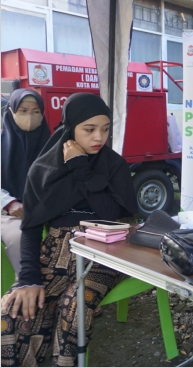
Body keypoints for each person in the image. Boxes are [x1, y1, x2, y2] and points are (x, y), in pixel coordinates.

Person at [0, 93, 138, 367]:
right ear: (71, 128)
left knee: (73, 306)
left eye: (105, 129)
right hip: (56, 251)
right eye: (89, 129)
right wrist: (29, 278)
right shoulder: (43, 169)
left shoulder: (114, 165)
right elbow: (31, 227)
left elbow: (111, 215)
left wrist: (80, 168)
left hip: (106, 253)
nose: (99, 137)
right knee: (12, 313)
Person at [1, 89, 51, 276]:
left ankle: (64, 286)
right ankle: (27, 284)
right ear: (11, 112)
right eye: (23, 110)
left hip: (48, 210)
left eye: (36, 111)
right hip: (10, 212)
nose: (30, 116)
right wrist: (9, 203)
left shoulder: (53, 145)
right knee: (20, 237)